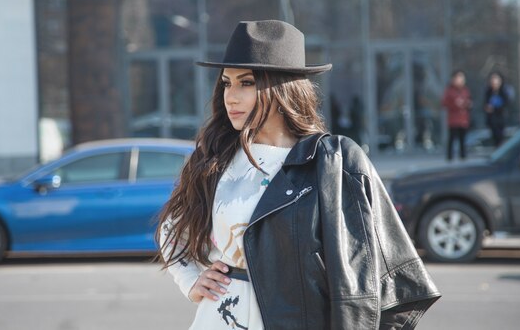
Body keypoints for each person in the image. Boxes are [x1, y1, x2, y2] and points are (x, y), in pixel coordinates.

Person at [155, 20, 440, 330]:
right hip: (220, 317)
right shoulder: (216, 157)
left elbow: (379, 274)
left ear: (282, 88)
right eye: (226, 83)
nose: (231, 96)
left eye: (246, 82)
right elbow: (171, 227)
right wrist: (191, 278)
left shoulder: (329, 162)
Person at [441, 70, 472, 161]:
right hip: (453, 119)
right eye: (458, 78)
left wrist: (467, 104)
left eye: (461, 78)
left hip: (463, 119)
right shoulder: (449, 91)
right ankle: (450, 157)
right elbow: (444, 103)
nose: (460, 80)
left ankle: (463, 156)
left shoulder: (465, 90)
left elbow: (469, 101)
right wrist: (455, 104)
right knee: (452, 138)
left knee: (463, 139)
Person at [484, 72, 510, 147]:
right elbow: (485, 104)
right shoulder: (488, 93)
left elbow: (506, 104)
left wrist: (494, 108)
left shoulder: (503, 92)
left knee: (500, 138)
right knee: (494, 138)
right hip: (492, 120)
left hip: (500, 119)